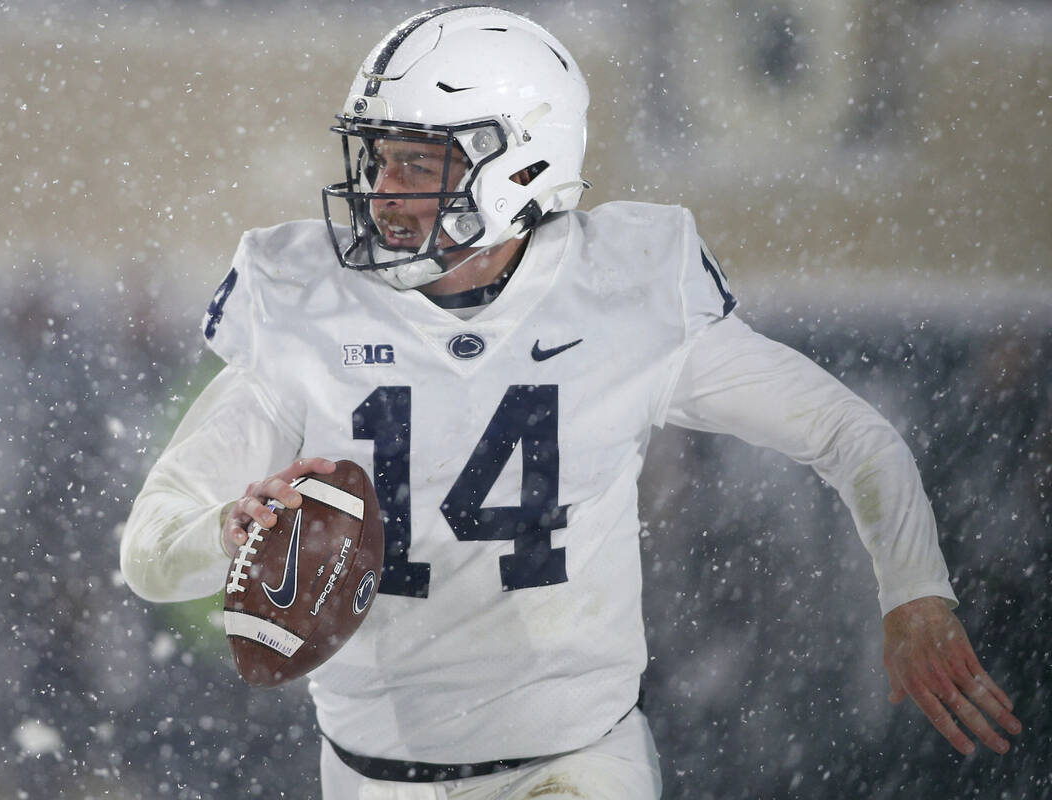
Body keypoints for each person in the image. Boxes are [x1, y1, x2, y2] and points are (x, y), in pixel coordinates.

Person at [120, 6, 1022, 798]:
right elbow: (149, 554)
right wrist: (225, 534)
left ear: (522, 164)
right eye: (380, 161)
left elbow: (850, 434)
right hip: (369, 774)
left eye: (418, 164)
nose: (383, 196)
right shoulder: (305, 304)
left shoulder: (622, 290)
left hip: (574, 765)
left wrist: (914, 594)